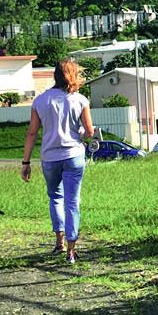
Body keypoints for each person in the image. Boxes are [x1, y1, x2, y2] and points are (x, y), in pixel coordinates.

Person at [22, 58, 97, 263]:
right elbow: (89, 132)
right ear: (74, 75)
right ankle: (71, 250)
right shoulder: (80, 100)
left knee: (55, 197)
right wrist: (79, 133)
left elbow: (32, 133)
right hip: (73, 155)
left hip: (49, 157)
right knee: (72, 201)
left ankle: (59, 241)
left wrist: (26, 162)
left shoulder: (40, 100)